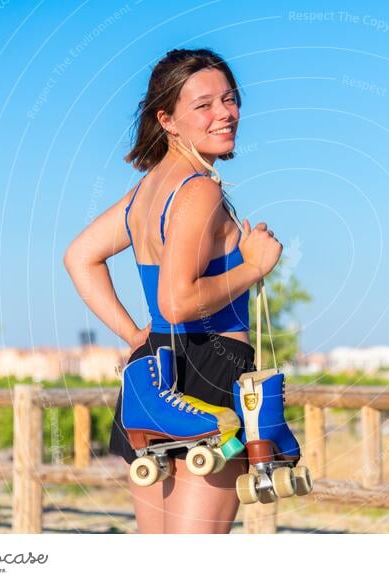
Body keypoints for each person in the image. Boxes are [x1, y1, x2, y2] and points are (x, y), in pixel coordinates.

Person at [63, 48, 282, 533]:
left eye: (230, 99)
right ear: (168, 119)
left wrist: (137, 338)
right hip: (211, 368)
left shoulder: (145, 191)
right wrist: (255, 266)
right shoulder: (199, 188)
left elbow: (79, 257)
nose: (225, 113)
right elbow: (177, 302)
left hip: (154, 373)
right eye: (203, 105)